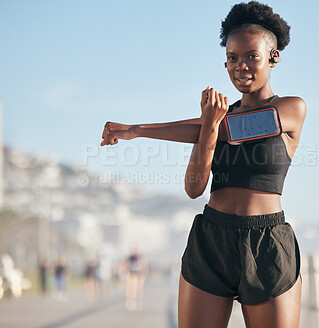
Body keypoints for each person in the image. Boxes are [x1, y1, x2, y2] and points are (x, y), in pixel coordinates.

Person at [101, 2, 306, 327]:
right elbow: (194, 188)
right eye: (232, 58)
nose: (240, 66)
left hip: (267, 243)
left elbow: (233, 129)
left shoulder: (291, 109)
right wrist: (198, 129)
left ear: (273, 56)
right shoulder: (212, 122)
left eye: (251, 56)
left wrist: (141, 130)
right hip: (211, 239)